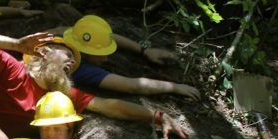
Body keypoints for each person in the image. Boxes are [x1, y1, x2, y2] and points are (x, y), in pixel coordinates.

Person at [0, 29, 189, 139]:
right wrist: (16, 44)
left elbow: (110, 106)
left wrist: (157, 116)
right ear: (44, 52)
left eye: (74, 60)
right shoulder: (13, 70)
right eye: (67, 54)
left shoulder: (60, 93)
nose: (72, 61)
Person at [55, 15, 200, 99]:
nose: (105, 58)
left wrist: (144, 50)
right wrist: (174, 87)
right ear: (85, 52)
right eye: (100, 54)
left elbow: (110, 37)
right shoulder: (80, 68)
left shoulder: (65, 36)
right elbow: (133, 86)